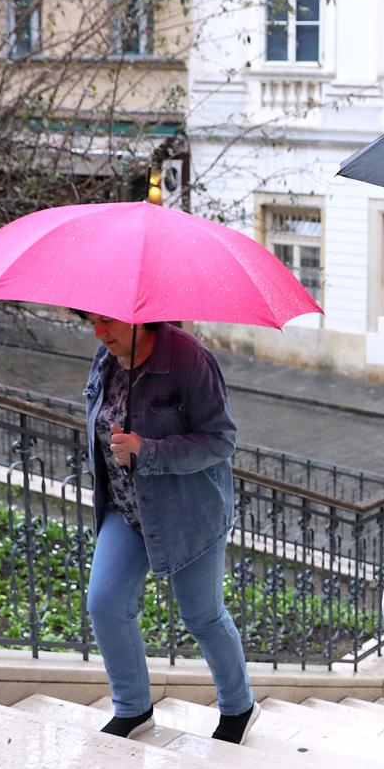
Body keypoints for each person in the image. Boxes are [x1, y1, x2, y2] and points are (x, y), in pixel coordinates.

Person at [80, 313, 258, 745]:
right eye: (91, 322)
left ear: (141, 317)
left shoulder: (190, 359)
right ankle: (133, 708)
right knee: (104, 605)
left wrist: (148, 449)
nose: (99, 333)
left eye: (107, 322)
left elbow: (221, 440)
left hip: (187, 513)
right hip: (125, 511)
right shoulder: (107, 357)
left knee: (202, 615)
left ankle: (239, 706)